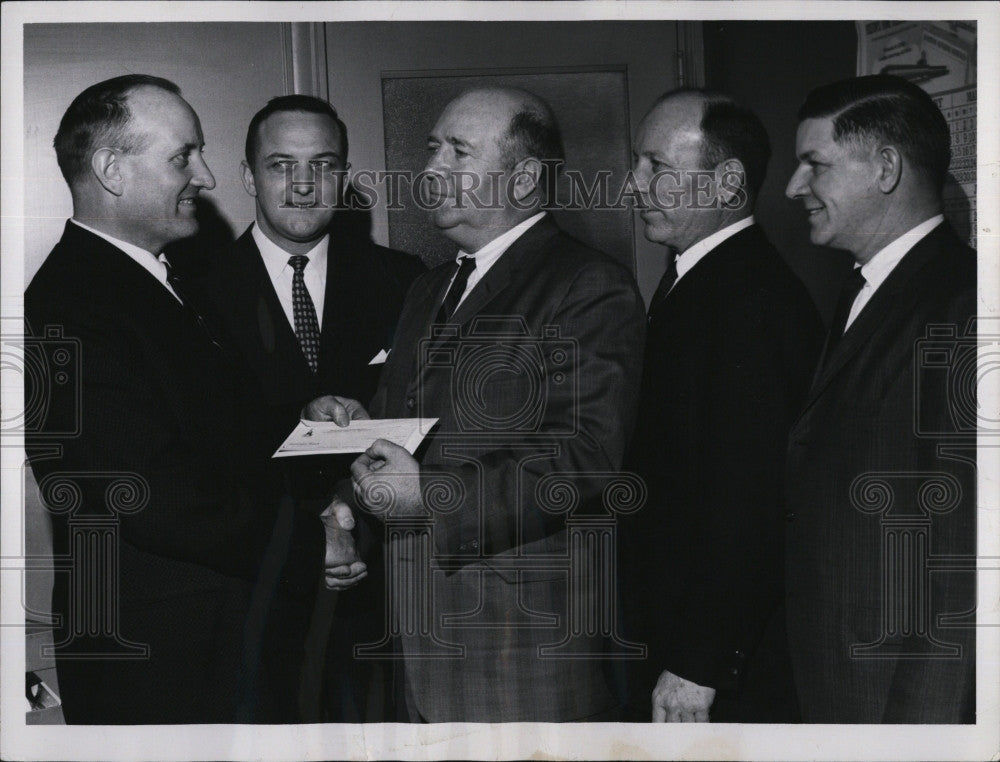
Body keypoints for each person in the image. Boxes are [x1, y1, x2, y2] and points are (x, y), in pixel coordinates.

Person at [24, 75, 349, 723]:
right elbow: (151, 491)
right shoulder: (69, 306)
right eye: (183, 156)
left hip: (214, 643)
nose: (205, 175)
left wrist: (298, 424)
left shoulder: (155, 282)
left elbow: (199, 431)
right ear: (112, 170)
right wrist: (311, 549)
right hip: (164, 666)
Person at [335, 87, 646, 722]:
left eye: (458, 152)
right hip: (418, 637)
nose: (430, 171)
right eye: (432, 150)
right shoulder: (429, 286)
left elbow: (583, 456)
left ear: (526, 176)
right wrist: (348, 432)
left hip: (519, 646)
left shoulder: (588, 285)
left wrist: (431, 496)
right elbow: (411, 419)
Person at [191, 94, 424, 721]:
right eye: (280, 165)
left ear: (344, 176)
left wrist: (360, 533)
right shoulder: (190, 288)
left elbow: (433, 427)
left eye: (322, 165)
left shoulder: (408, 283)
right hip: (248, 599)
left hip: (379, 603)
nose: (302, 185)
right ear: (247, 177)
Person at [621, 89, 823, 723]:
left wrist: (699, 662)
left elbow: (753, 498)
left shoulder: (749, 300)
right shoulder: (700, 276)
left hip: (710, 669)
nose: (634, 184)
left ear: (727, 182)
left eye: (657, 166)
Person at [783, 74, 976, 723]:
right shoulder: (863, 290)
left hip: (896, 702)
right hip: (843, 684)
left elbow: (961, 567)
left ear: (886, 168)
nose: (793, 187)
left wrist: (919, 735)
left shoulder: (964, 305)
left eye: (815, 165)